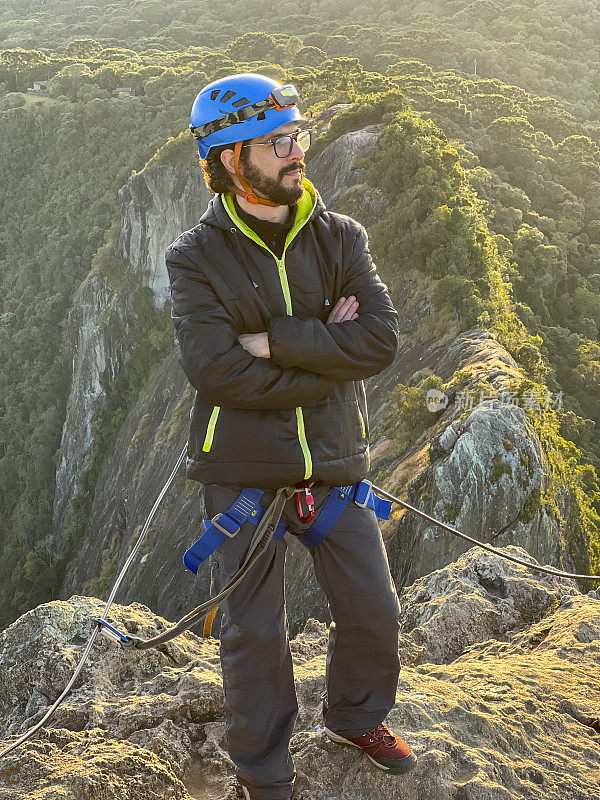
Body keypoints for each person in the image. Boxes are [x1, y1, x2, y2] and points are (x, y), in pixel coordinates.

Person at [165, 72, 417, 800]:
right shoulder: (195, 257)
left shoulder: (342, 237)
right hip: (242, 471)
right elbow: (215, 373)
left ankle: (356, 715)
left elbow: (380, 342)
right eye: (276, 141)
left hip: (333, 463)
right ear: (228, 160)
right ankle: (264, 773)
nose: (295, 151)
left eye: (297, 135)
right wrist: (326, 357)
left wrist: (274, 343)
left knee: (373, 609)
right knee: (254, 635)